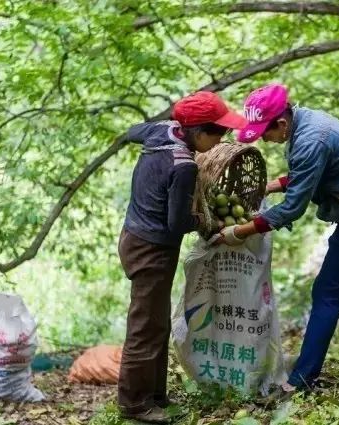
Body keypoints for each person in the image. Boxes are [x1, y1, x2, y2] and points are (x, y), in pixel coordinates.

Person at [217, 83, 339, 396]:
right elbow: (314, 171)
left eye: (265, 133)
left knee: (326, 292)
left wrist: (239, 231)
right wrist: (273, 185)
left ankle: (301, 380)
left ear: (281, 123)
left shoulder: (310, 139)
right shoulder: (304, 122)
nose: (265, 140)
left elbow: (293, 208)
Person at [117, 92, 246, 423]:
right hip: (153, 248)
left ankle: (155, 395)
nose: (222, 140)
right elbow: (177, 224)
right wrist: (207, 220)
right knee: (145, 327)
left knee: (156, 323)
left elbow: (132, 131)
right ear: (199, 131)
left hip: (133, 236)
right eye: (218, 133)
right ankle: (134, 405)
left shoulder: (161, 132)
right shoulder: (184, 165)